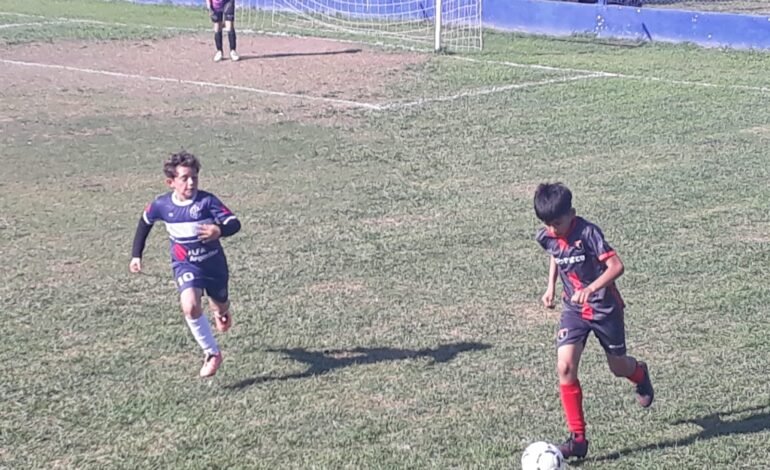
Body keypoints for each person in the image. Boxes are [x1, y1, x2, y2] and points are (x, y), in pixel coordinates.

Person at [533, 182, 654, 460]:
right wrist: (550, 287)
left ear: (572, 214)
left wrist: (591, 289)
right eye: (547, 224)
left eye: (557, 223)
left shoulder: (588, 232)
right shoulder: (548, 235)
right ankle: (578, 439)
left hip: (604, 308)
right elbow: (556, 254)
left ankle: (639, 374)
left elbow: (616, 266)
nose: (552, 230)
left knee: (618, 367)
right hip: (573, 310)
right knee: (565, 366)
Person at [129, 151, 241, 378]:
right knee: (189, 305)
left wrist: (219, 230)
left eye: (194, 178)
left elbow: (234, 223)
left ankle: (221, 311)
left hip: (213, 265)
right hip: (186, 264)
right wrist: (136, 255)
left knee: (219, 305)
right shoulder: (161, 205)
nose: (191, 183)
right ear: (170, 182)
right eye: (185, 178)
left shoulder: (207, 201)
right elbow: (145, 222)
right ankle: (212, 353)